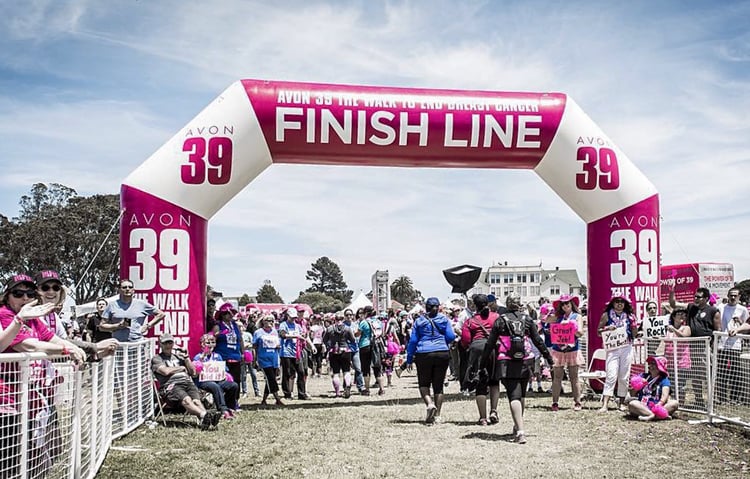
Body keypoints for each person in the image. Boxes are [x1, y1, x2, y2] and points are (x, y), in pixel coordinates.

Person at [481, 292, 553, 444]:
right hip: (526, 360)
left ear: (507, 304)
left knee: (513, 395)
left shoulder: (501, 320)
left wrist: (482, 362)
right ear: (520, 304)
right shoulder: (527, 319)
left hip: (506, 361)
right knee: (522, 395)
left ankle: (520, 431)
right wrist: (548, 357)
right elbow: (538, 341)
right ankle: (517, 424)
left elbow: (490, 344)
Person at [399, 297, 455, 425]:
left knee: (424, 384)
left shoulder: (419, 321)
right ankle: (438, 416)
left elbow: (413, 341)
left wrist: (409, 359)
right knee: (438, 386)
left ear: (426, 307)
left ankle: (429, 404)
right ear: (438, 307)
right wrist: (442, 342)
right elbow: (451, 336)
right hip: (442, 353)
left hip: (424, 354)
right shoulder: (444, 319)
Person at [152, 333, 221, 429]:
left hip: (187, 382)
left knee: (197, 401)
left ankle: (206, 419)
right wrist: (181, 368)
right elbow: (165, 371)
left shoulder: (179, 356)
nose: (168, 345)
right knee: (187, 400)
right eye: (165, 343)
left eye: (170, 343)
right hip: (171, 385)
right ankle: (205, 416)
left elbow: (193, 372)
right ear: (160, 344)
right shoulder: (157, 358)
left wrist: (186, 357)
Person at [460, 294, 500, 425]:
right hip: (493, 349)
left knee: (480, 383)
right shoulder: (496, 317)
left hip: (477, 351)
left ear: (474, 306)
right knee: (494, 381)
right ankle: (493, 411)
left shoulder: (470, 321)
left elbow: (465, 341)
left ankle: (483, 418)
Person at [597, 294, 638, 412]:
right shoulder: (606, 315)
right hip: (612, 348)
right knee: (611, 375)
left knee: (624, 376)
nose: (619, 304)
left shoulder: (630, 316)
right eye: (617, 301)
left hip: (626, 347)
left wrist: (634, 326)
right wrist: (607, 329)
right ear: (613, 303)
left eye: (622, 302)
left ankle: (621, 403)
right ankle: (605, 404)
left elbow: (634, 334)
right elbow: (598, 332)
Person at [543, 294, 584, 412]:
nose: (565, 306)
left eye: (567, 303)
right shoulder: (557, 317)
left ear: (572, 304)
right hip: (558, 350)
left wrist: (571, 329)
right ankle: (555, 402)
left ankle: (577, 402)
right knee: (557, 378)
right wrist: (549, 312)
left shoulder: (577, 316)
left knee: (574, 377)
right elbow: (545, 319)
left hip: (573, 350)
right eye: (563, 304)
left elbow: (580, 333)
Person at [100, 278, 165, 342]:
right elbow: (102, 326)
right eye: (124, 287)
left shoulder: (141, 304)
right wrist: (118, 326)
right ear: (119, 290)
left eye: (130, 287)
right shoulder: (112, 305)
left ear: (133, 290)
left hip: (137, 344)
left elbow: (161, 314)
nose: (127, 289)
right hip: (119, 345)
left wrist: (148, 326)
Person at [193, 333, 240, 420]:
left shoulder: (218, 356)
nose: (210, 345)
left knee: (233, 385)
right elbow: (194, 371)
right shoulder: (198, 357)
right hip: (203, 382)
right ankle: (223, 410)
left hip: (217, 380)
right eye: (208, 343)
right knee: (215, 386)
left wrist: (225, 374)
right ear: (202, 344)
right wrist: (201, 359)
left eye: (213, 342)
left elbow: (224, 369)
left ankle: (230, 407)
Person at [716, 288, 749, 404]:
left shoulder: (743, 310)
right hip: (722, 344)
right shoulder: (721, 307)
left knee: (736, 373)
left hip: (736, 344)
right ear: (728, 296)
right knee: (721, 372)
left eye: (735, 295)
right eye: (731, 295)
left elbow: (747, 325)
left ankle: (735, 398)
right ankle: (722, 398)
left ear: (739, 297)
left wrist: (739, 326)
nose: (733, 297)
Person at [626, 355, 679, 421]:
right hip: (643, 406)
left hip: (658, 407)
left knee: (674, 403)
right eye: (650, 363)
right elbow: (632, 394)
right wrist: (639, 385)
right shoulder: (643, 376)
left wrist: (658, 406)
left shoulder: (664, 380)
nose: (650, 366)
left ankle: (650, 416)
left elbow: (664, 397)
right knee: (632, 404)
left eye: (654, 364)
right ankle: (654, 416)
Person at [212, 304, 244, 403]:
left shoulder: (235, 326)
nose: (229, 315)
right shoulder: (218, 326)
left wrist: (243, 353)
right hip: (223, 357)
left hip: (235, 356)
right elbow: (213, 338)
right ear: (222, 315)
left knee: (237, 380)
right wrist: (219, 334)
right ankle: (223, 401)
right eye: (226, 313)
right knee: (224, 380)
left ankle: (235, 401)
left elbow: (240, 340)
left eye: (231, 313)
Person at [278, 308, 312, 400]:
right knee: (287, 374)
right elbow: (283, 335)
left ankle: (301, 393)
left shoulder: (297, 326)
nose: (293, 319)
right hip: (286, 353)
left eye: (294, 317)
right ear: (287, 316)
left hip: (297, 352)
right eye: (292, 317)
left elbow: (302, 334)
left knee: (301, 372)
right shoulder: (283, 325)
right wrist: (296, 336)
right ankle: (287, 394)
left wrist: (304, 337)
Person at [253, 314, 285, 406]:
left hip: (274, 359)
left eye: (272, 320)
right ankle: (277, 398)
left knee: (270, 379)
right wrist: (254, 360)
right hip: (264, 359)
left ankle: (264, 400)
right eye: (268, 320)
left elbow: (278, 345)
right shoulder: (258, 332)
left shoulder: (275, 332)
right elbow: (254, 347)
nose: (270, 322)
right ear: (263, 321)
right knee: (271, 378)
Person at [323, 313, 357, 398]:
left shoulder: (329, 329)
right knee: (347, 371)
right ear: (343, 318)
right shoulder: (347, 328)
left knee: (336, 373)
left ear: (334, 319)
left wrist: (329, 345)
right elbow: (353, 340)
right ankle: (348, 385)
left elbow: (324, 340)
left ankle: (337, 392)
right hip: (345, 350)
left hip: (333, 351)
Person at [358, 306, 386, 396]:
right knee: (377, 367)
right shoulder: (378, 322)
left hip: (365, 345)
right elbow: (383, 333)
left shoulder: (364, 322)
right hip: (376, 345)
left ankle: (367, 389)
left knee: (366, 368)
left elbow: (357, 333)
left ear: (366, 313)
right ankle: (382, 389)